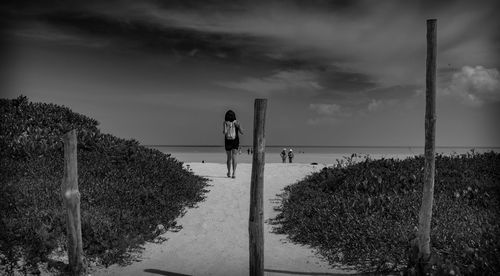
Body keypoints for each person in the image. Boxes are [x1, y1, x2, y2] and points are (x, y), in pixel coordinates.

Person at [223, 110, 243, 178]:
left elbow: (224, 132)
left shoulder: (225, 123)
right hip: (235, 141)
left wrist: (228, 126)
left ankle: (229, 172)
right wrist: (238, 126)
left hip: (227, 141)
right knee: (234, 157)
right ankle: (234, 173)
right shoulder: (236, 122)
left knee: (229, 158)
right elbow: (242, 132)